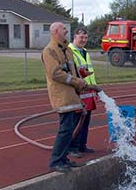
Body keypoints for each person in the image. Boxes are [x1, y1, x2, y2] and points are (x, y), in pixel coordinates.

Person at [41, 22, 88, 173]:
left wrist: (79, 83)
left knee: (69, 129)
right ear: (55, 31)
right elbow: (55, 73)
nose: (66, 31)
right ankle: (56, 161)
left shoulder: (67, 50)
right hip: (62, 95)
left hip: (72, 94)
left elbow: (72, 70)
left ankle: (63, 158)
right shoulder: (49, 51)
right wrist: (76, 81)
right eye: (63, 29)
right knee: (66, 129)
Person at [68, 27, 100, 158]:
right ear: (75, 36)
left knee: (86, 121)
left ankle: (82, 145)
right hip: (78, 91)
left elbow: (89, 71)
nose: (84, 40)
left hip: (89, 90)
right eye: (81, 37)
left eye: (86, 38)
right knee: (76, 121)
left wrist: (95, 88)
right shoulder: (70, 51)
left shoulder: (85, 52)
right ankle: (72, 147)